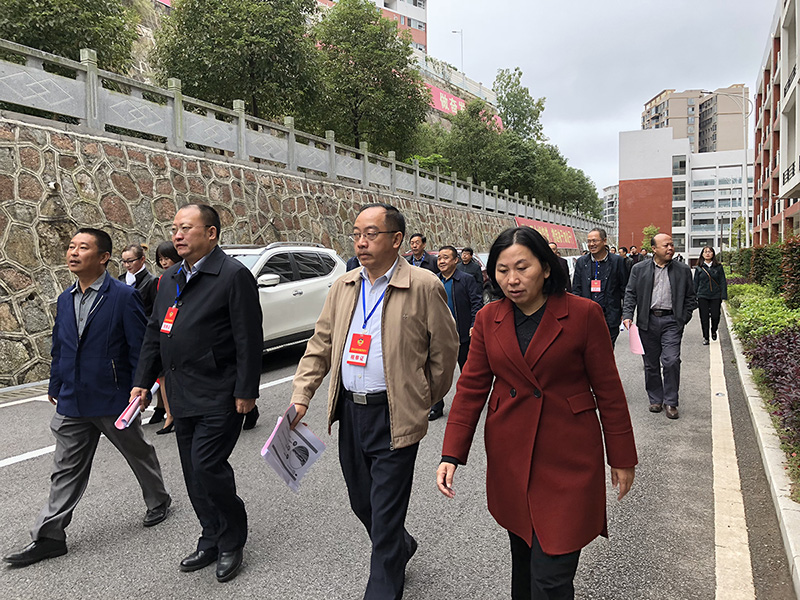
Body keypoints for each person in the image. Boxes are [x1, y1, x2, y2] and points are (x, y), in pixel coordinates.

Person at [436, 226, 637, 600]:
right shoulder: (488, 319)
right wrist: (451, 453)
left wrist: (622, 457)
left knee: (551, 575)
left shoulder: (583, 314)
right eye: (502, 270)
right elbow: (471, 389)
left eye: (522, 267)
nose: (511, 279)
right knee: (525, 559)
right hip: (512, 456)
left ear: (545, 268)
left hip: (569, 457)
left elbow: (609, 392)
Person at [290, 203, 458, 600]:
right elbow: (320, 345)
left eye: (371, 234)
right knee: (361, 501)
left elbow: (445, 351)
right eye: (356, 234)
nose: (361, 242)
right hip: (351, 412)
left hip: (395, 414)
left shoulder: (423, 285)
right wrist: (301, 396)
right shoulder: (344, 286)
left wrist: (421, 399)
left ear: (396, 240)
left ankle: (383, 585)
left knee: (384, 512)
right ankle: (400, 544)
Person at [4, 229, 171, 568]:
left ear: (103, 257)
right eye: (71, 247)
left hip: (112, 397)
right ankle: (50, 536)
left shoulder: (123, 296)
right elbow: (60, 345)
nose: (73, 253)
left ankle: (158, 500)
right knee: (65, 468)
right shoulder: (65, 299)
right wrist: (55, 383)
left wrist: (141, 387)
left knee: (138, 453)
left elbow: (141, 346)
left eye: (83, 247)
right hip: (73, 399)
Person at [131, 204, 262, 583]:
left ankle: (232, 538)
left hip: (220, 391)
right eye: (175, 228)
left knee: (207, 466)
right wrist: (143, 381)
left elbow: (249, 337)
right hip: (181, 390)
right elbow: (155, 331)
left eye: (187, 228)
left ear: (211, 233)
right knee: (192, 472)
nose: (177, 235)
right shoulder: (169, 278)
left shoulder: (232, 275)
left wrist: (246, 390)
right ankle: (210, 536)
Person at [622, 233, 697, 420]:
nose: (670, 248)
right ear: (654, 249)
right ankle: (655, 399)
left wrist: (683, 318)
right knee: (650, 363)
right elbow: (630, 293)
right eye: (666, 245)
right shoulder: (639, 269)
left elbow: (691, 297)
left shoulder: (683, 270)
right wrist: (628, 315)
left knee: (671, 361)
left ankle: (671, 401)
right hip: (647, 321)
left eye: (671, 245)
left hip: (672, 321)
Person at [429, 245, 483, 421]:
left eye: (446, 257)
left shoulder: (466, 279)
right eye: (439, 258)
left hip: (462, 334)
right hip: (439, 336)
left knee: (466, 371)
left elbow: (477, 303)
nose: (441, 261)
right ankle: (436, 406)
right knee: (437, 372)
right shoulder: (434, 281)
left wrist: (474, 324)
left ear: (455, 260)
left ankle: (468, 403)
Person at [571, 228, 628, 347]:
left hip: (610, 315)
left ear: (604, 241)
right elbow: (576, 288)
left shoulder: (617, 261)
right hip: (587, 316)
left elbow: (625, 288)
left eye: (595, 241)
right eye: (589, 241)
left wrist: (625, 312)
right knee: (588, 349)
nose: (591, 244)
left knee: (606, 349)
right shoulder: (582, 262)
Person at [151, 241, 182, 434]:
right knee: (164, 375)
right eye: (160, 259)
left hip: (185, 331)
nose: (163, 262)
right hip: (167, 332)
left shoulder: (186, 275)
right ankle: (170, 415)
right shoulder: (162, 280)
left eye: (167, 258)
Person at [693, 246, 728, 345]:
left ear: (713, 254)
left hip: (715, 295)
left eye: (709, 251)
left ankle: (714, 330)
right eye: (705, 252)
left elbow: (722, 281)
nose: (707, 253)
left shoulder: (718, 267)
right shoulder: (699, 268)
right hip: (702, 295)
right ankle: (706, 337)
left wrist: (723, 295)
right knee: (704, 317)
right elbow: (695, 283)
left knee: (715, 315)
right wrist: (693, 296)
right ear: (702, 254)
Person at [119, 243, 158, 316]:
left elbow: (156, 311)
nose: (127, 265)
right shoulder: (121, 280)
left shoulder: (151, 281)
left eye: (130, 261)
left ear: (142, 259)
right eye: (124, 261)